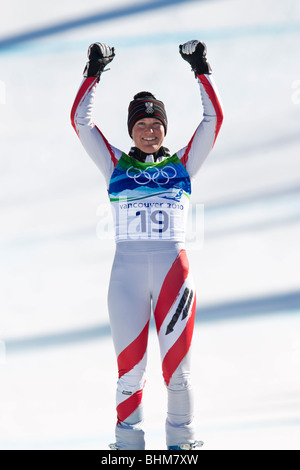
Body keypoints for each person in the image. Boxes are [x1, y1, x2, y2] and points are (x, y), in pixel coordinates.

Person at [71, 40, 223, 450]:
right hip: (127, 277)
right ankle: (127, 449)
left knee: (178, 374)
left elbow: (214, 120)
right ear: (131, 131)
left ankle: (183, 447)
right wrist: (94, 73)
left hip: (175, 273)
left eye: (156, 124)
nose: (150, 130)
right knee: (129, 374)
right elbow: (81, 123)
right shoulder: (115, 164)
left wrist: (200, 69)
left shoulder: (183, 165)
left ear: (165, 128)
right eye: (141, 125)